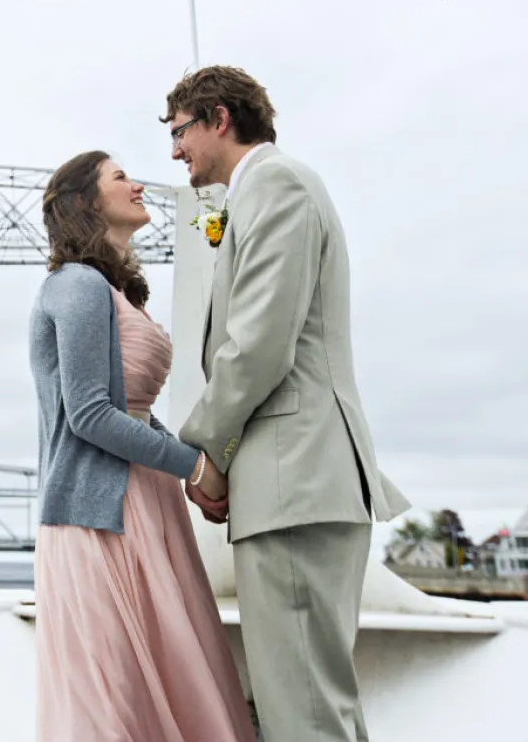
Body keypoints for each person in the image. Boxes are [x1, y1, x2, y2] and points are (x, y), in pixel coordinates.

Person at [162, 66, 412, 742]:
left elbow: (259, 345)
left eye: (179, 131)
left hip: (294, 481)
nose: (175, 151)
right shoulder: (266, 191)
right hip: (294, 483)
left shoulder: (277, 185)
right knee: (314, 706)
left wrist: (206, 454)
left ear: (218, 118)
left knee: (302, 714)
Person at [29, 150, 257, 742]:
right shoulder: (77, 285)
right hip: (99, 517)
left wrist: (190, 471)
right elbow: (89, 415)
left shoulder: (111, 291)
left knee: (164, 677)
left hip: (145, 505)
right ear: (86, 201)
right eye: (120, 177)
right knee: (118, 697)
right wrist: (194, 466)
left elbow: (135, 412)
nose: (137, 185)